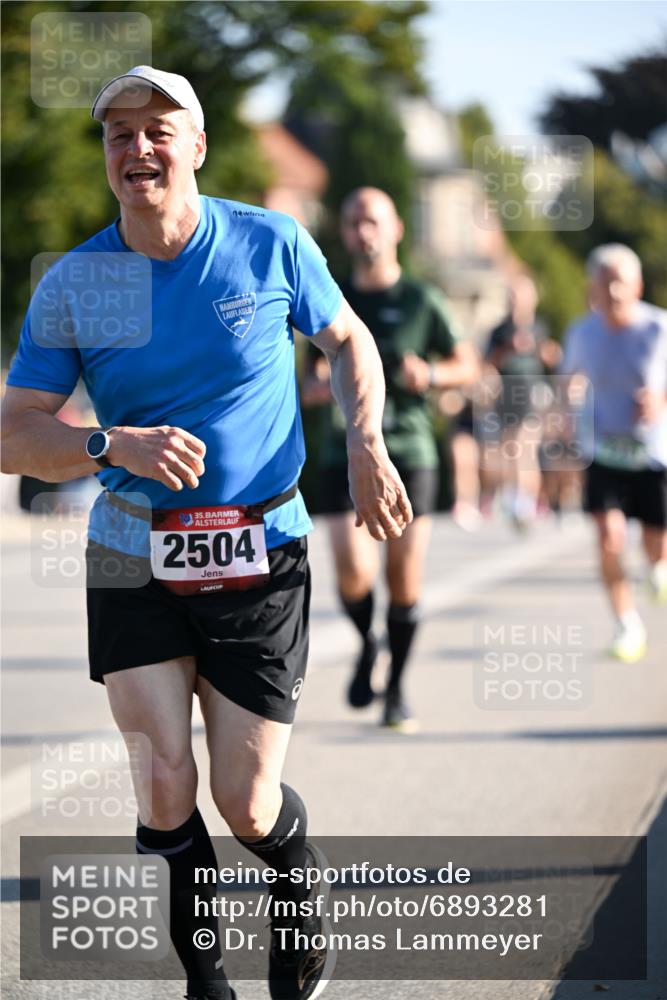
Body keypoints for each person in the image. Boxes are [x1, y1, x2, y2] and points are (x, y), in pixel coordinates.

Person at [1, 68, 412, 1000]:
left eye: (157, 130)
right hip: (127, 543)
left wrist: (364, 445)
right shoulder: (79, 283)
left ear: (195, 147)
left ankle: (296, 878)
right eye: (117, 135)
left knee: (246, 800)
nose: (136, 148)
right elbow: (14, 434)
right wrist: (111, 442)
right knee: (162, 784)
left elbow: (347, 341)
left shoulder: (268, 244)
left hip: (260, 546)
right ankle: (206, 981)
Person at [301, 187, 478, 731]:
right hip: (342, 452)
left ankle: (397, 687)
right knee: (353, 571)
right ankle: (367, 641)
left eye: (373, 221)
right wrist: (318, 386)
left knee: (403, 578)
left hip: (410, 451)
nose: (364, 231)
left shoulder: (422, 299)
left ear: (396, 228)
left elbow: (466, 363)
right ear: (345, 234)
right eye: (354, 222)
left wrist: (432, 375)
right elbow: (307, 376)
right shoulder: (328, 297)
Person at [561, 243, 667, 662]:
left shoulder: (659, 328)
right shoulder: (582, 332)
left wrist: (659, 400)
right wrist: (566, 420)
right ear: (594, 288)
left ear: (638, 285)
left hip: (653, 453)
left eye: (621, 282)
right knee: (609, 537)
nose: (614, 292)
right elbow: (569, 381)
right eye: (606, 283)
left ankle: (658, 569)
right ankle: (627, 625)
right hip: (602, 451)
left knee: (656, 549)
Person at [483, 272, 560, 530]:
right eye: (512, 296)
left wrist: (543, 351)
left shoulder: (540, 327)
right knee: (511, 450)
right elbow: (487, 363)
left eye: (521, 296)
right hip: (506, 396)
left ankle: (524, 502)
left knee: (523, 446)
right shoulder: (499, 331)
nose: (516, 301)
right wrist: (507, 349)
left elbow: (552, 359)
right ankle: (516, 497)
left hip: (532, 395)